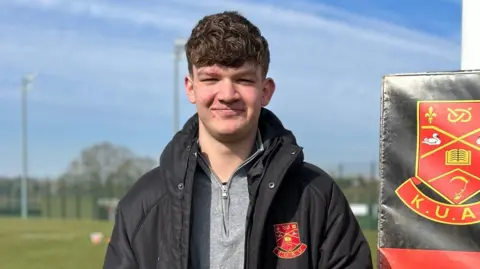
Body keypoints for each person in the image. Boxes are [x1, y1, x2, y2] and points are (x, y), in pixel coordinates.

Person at [103, 11, 373, 269]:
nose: (227, 94)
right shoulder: (143, 202)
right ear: (190, 88)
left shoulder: (317, 196)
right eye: (211, 79)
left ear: (265, 91)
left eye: (243, 79)